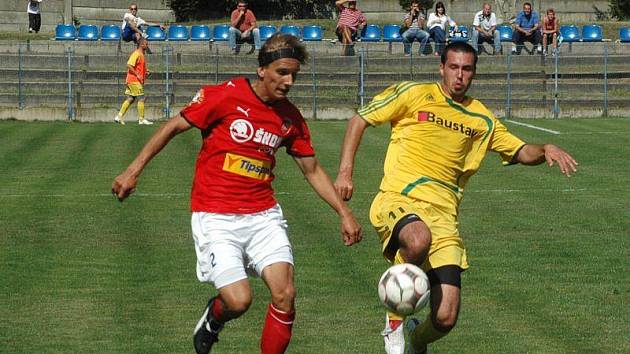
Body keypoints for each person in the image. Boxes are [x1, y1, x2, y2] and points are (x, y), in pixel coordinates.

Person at [111, 33, 362, 354]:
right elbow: (174, 126)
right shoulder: (224, 96)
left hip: (263, 216)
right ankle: (214, 317)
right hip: (215, 215)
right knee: (239, 300)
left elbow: (312, 170)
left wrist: (344, 212)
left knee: (285, 294)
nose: (289, 81)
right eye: (282, 72)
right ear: (262, 70)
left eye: (294, 75)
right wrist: (132, 171)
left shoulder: (290, 118)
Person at [334, 41, 577, 354]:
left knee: (445, 317)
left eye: (466, 69)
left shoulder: (481, 119)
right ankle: (394, 321)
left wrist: (545, 149)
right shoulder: (413, 94)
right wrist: (344, 172)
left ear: (474, 72)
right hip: (400, 198)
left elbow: (519, 150)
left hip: (444, 217)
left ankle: (416, 341)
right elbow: (360, 119)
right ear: (441, 67)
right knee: (418, 239)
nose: (459, 75)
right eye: (453, 67)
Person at [114, 37, 154, 125]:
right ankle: (141, 119)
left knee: (131, 98)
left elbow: (138, 67)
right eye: (146, 44)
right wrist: (137, 74)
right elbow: (129, 65)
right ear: (142, 44)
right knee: (142, 98)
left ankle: (119, 116)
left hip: (132, 80)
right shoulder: (136, 54)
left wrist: (145, 72)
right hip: (134, 80)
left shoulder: (141, 54)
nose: (147, 46)